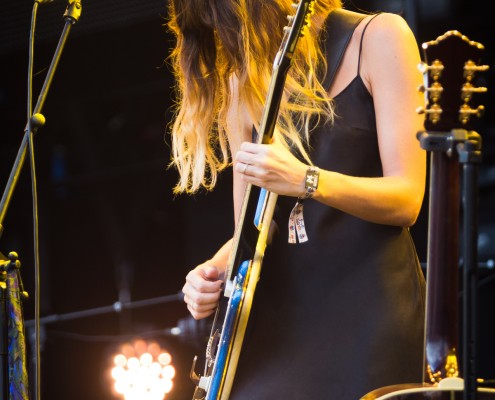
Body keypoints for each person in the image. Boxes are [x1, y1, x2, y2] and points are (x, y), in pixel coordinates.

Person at [167, 0, 427, 398]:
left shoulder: (378, 37)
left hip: (368, 310)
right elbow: (254, 228)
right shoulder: (246, 81)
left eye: (231, 22)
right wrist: (212, 272)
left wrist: (308, 180)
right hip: (279, 320)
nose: (231, 39)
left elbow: (407, 198)